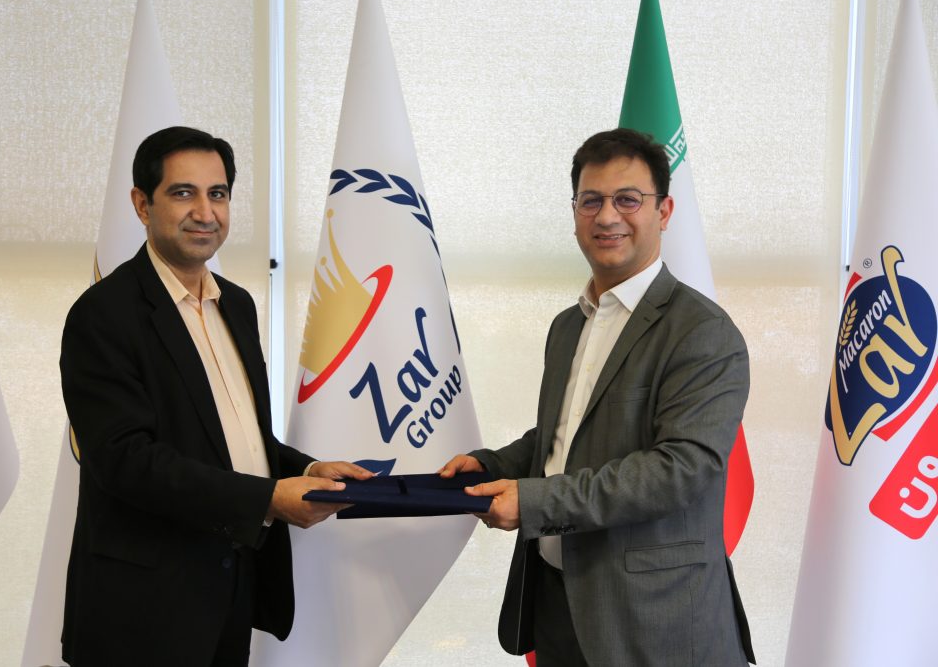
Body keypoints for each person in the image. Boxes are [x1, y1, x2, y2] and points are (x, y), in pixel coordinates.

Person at [440, 128, 755, 666]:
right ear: (575, 213)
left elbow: (680, 469)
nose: (607, 216)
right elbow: (565, 435)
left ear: (664, 211)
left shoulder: (702, 331)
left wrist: (535, 502)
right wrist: (493, 465)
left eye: (628, 199)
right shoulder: (569, 325)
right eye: (591, 201)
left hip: (653, 620)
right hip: (558, 604)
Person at [59, 126, 372, 667]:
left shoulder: (238, 306)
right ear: (142, 204)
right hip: (140, 613)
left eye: (218, 193)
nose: (205, 212)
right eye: (183, 193)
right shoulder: (103, 314)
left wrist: (307, 468)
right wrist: (267, 499)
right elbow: (124, 461)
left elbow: (234, 437)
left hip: (229, 593)